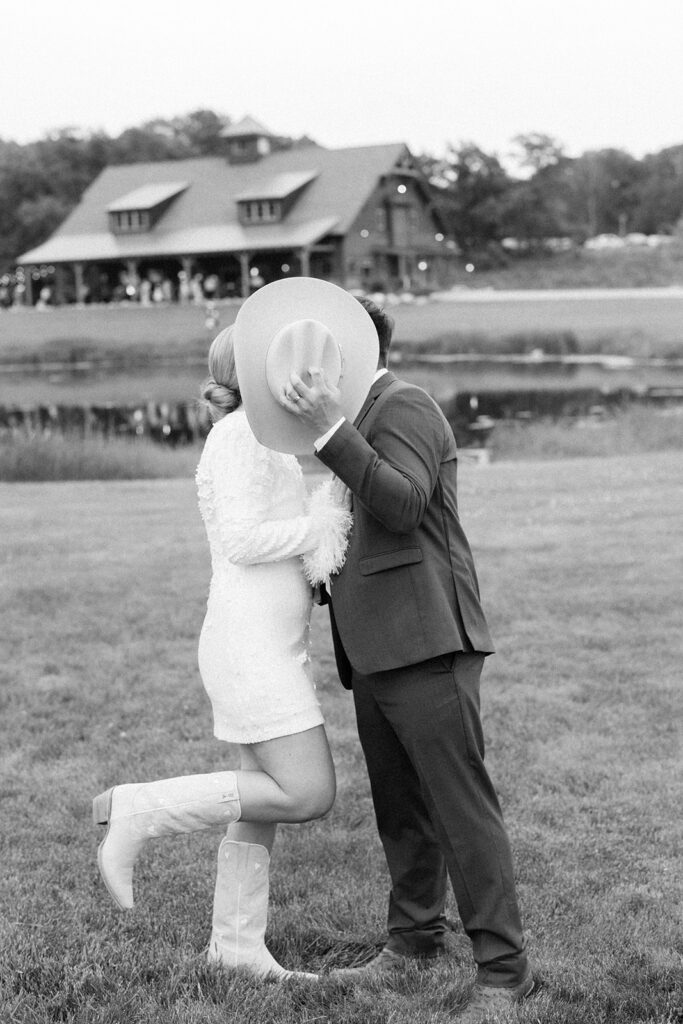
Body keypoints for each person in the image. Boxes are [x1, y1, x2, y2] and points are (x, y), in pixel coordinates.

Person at [279, 296, 534, 1022]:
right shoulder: (352, 421)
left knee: (461, 811)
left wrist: (329, 426)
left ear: (354, 351)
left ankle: (503, 974)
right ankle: (414, 938)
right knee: (401, 811)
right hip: (373, 649)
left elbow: (402, 503)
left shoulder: (405, 406)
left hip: (428, 642)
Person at [92, 325, 352, 980]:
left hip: (262, 642)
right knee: (306, 792)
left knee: (257, 799)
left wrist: (316, 563)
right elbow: (240, 538)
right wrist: (323, 526)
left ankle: (236, 947)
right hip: (249, 648)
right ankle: (138, 810)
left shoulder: (263, 440)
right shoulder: (238, 437)